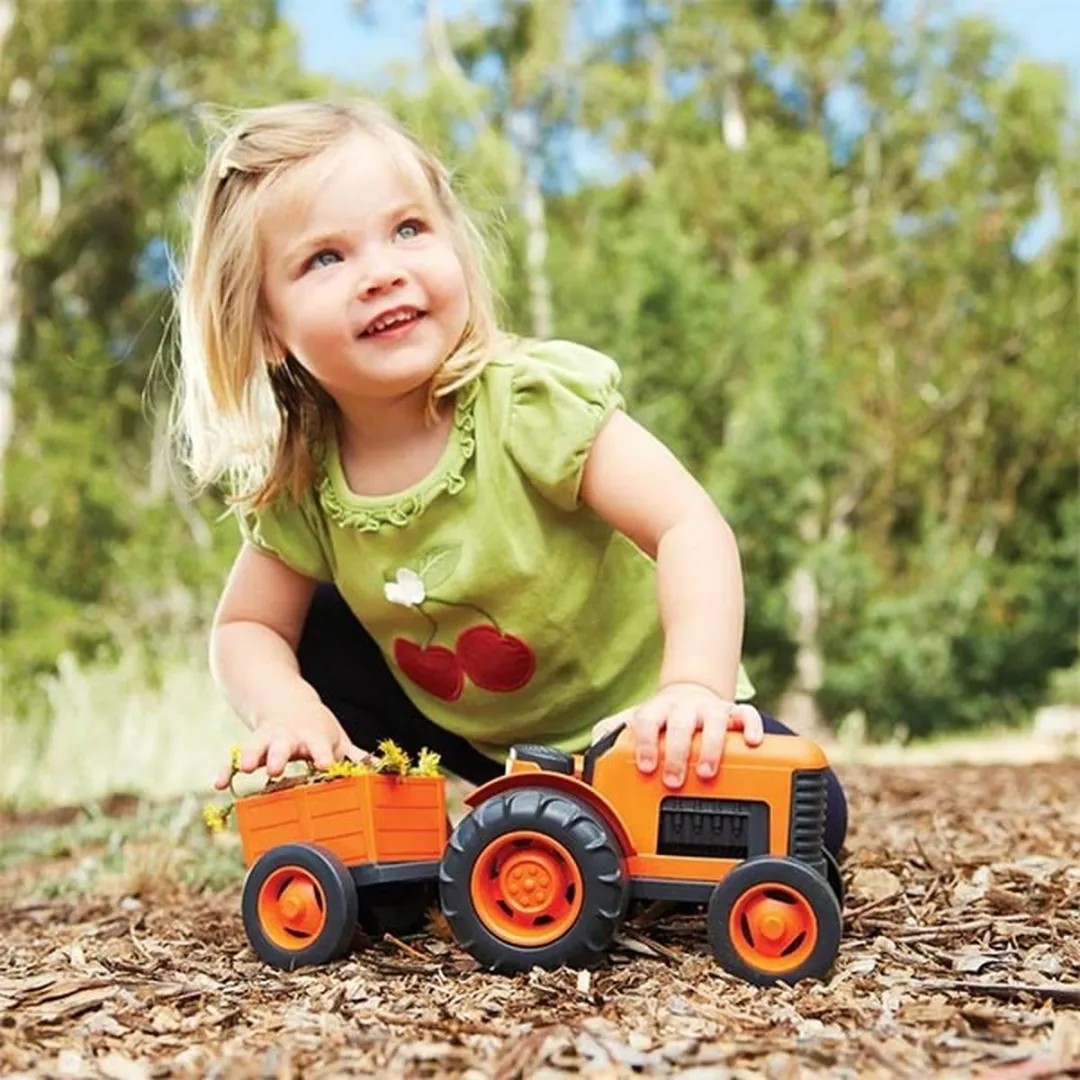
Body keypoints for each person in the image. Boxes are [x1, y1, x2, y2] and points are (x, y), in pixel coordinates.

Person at [174, 99, 846, 856]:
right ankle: (396, 841)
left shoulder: (526, 403)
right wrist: (287, 708)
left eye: (408, 229)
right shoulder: (305, 478)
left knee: (812, 817)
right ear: (264, 327)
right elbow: (246, 626)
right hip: (477, 747)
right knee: (315, 630)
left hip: (641, 729)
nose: (382, 272)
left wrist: (692, 688)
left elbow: (689, 526)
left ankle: (591, 832)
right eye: (325, 258)